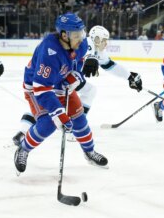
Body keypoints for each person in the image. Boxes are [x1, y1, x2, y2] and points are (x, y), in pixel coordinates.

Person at [12, 25, 142, 144]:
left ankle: (22, 132)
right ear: (96, 39)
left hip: (58, 77)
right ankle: (75, 126)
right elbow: (84, 54)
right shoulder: (87, 43)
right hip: (55, 77)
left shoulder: (96, 49)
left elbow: (109, 65)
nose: (106, 43)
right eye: (104, 40)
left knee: (45, 103)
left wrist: (129, 76)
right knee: (86, 92)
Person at [14, 13, 108, 174]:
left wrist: (75, 76)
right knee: (48, 124)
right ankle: (23, 150)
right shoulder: (49, 51)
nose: (82, 38)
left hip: (59, 82)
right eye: (76, 35)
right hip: (37, 87)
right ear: (64, 35)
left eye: (82, 33)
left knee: (79, 118)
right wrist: (60, 114)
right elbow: (42, 88)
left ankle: (89, 151)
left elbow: (78, 61)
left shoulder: (81, 43)